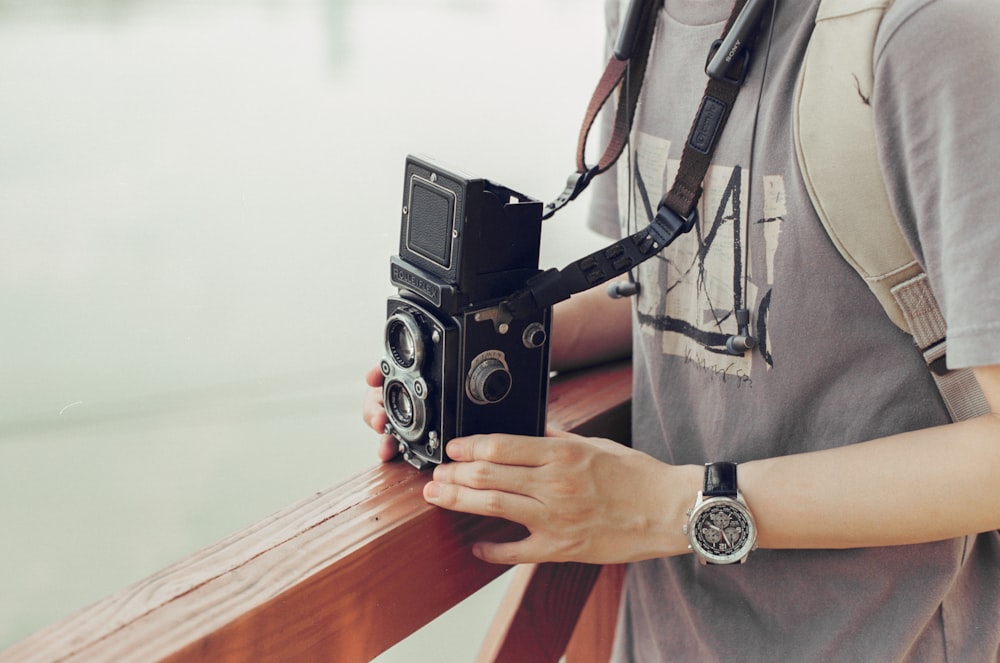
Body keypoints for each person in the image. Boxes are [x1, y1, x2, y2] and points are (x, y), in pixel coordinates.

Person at [363, 0, 1000, 659]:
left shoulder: (925, 32)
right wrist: (470, 351)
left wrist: (670, 505)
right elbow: (688, 281)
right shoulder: (640, 14)